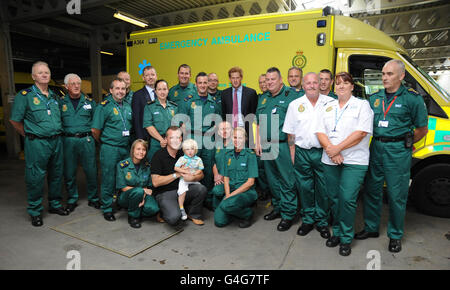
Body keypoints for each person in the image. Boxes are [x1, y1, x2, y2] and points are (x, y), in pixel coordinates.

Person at [356, 59, 428, 253]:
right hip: (376, 148)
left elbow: (422, 129)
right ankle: (371, 228)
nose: (385, 78)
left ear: (401, 76)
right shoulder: (375, 98)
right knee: (371, 190)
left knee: (397, 195)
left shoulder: (412, 99)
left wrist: (406, 144)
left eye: (390, 74)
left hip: (397, 151)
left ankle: (395, 235)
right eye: (383, 74)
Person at [315, 72, 374, 256]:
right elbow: (319, 131)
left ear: (352, 86)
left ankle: (346, 238)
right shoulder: (327, 106)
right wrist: (331, 151)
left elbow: (361, 133)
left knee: (347, 198)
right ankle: (338, 233)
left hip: (354, 160)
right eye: (338, 83)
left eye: (345, 83)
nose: (341, 86)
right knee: (334, 198)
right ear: (334, 87)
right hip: (330, 159)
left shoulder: (362, 105)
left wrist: (337, 148)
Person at [10, 61, 69, 226]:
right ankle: (35, 211)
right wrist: (28, 134)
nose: (44, 75)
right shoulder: (25, 96)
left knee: (56, 174)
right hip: (37, 143)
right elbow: (14, 120)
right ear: (33, 76)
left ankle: (55, 205)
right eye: (40, 72)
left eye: (47, 72)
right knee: (35, 177)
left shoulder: (55, 96)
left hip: (56, 141)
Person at [283, 72, 336, 238]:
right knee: (305, 187)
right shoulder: (294, 105)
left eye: (315, 82)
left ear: (320, 84)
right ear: (303, 85)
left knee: (323, 188)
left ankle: (321, 222)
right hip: (302, 152)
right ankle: (307, 220)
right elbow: (290, 133)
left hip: (323, 152)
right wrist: (292, 152)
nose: (312, 85)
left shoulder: (331, 103)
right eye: (308, 83)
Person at [255, 67, 298, 232]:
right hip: (267, 145)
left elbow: (295, 126)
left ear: (281, 80)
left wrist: (292, 148)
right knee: (272, 181)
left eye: (273, 79)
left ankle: (288, 214)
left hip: (283, 145)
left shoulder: (291, 96)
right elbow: (258, 122)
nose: (270, 82)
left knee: (287, 181)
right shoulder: (263, 98)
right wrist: (258, 142)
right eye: (267, 80)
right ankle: (278, 207)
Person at [92, 78, 133, 222]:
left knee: (123, 177)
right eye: (117, 88)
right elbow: (95, 130)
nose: (120, 91)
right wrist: (106, 142)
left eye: (123, 89)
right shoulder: (103, 107)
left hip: (125, 148)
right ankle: (107, 208)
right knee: (109, 178)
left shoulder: (128, 106)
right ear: (111, 90)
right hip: (110, 148)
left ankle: (119, 202)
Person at [151, 126, 207, 227]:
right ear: (166, 139)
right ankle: (163, 210)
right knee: (174, 218)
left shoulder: (185, 152)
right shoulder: (158, 155)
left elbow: (201, 174)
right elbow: (155, 182)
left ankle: (192, 213)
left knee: (201, 189)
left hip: (183, 189)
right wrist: (177, 174)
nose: (175, 141)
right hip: (165, 193)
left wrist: (194, 177)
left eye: (178, 137)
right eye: (172, 138)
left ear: (181, 139)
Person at [60, 73, 99, 212]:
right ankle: (72, 199)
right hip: (68, 141)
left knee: (91, 171)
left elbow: (96, 123)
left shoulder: (89, 102)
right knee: (69, 172)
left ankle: (94, 198)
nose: (76, 86)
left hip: (86, 140)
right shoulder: (60, 103)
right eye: (73, 84)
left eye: (78, 83)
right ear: (66, 86)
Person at [180, 72, 221, 195]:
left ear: (208, 83)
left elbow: (217, 123)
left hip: (209, 140)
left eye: (205, 82)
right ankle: (192, 196)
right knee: (192, 167)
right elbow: (181, 123)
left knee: (208, 168)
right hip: (193, 139)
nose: (203, 85)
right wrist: (185, 143)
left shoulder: (214, 103)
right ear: (196, 84)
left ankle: (207, 196)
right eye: (200, 83)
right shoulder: (188, 101)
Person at [214, 127, 259, 228]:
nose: (236, 140)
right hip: (231, 187)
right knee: (219, 222)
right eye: (234, 137)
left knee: (227, 204)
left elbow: (250, 182)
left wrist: (230, 196)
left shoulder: (250, 155)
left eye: (240, 138)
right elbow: (225, 177)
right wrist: (227, 194)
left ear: (245, 139)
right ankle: (231, 209)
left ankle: (247, 214)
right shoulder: (227, 154)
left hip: (246, 191)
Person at [116, 139, 159, 228]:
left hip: (141, 194)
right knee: (138, 191)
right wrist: (142, 191)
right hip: (125, 196)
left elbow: (148, 186)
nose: (141, 152)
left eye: (143, 150)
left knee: (154, 209)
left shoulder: (147, 166)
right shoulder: (123, 165)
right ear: (133, 150)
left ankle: (135, 209)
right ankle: (133, 216)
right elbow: (123, 188)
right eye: (138, 149)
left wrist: (142, 197)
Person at [220, 67, 258, 146]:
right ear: (230, 79)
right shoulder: (224, 93)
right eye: (233, 78)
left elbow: (254, 113)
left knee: (246, 154)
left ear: (241, 78)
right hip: (230, 130)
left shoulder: (251, 93)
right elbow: (223, 113)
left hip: (246, 130)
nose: (235, 80)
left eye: (237, 77)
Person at [143, 79, 178, 162]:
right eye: (159, 89)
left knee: (171, 168)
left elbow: (177, 126)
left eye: (164, 89)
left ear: (168, 91)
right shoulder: (149, 107)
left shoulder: (174, 107)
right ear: (155, 91)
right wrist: (161, 140)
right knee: (155, 168)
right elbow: (148, 126)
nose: (162, 92)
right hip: (156, 144)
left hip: (172, 143)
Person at [174, 139, 204, 220]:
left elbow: (200, 169)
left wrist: (195, 174)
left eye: (192, 149)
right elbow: (176, 168)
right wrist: (183, 171)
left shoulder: (198, 159)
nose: (190, 151)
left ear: (196, 150)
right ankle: (181, 208)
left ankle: (193, 210)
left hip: (193, 179)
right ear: (184, 150)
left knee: (202, 190)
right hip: (184, 179)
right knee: (182, 192)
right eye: (187, 149)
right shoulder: (182, 159)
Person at [210, 121, 233, 210]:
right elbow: (213, 161)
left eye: (227, 128)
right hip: (220, 178)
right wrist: (216, 175)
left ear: (231, 130)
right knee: (216, 195)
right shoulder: (217, 144)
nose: (224, 131)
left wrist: (223, 176)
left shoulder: (236, 143)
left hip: (233, 179)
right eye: (221, 129)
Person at [132, 66, 157, 141]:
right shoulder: (137, 95)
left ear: (156, 76)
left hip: (160, 135)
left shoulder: (161, 93)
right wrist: (140, 138)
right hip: (145, 136)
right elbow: (136, 118)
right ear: (143, 78)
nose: (150, 77)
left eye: (152, 75)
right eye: (147, 75)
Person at [256, 74, 270, 201]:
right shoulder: (259, 98)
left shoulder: (273, 97)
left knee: (272, 170)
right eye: (260, 82)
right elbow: (257, 122)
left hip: (273, 140)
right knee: (260, 167)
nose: (263, 84)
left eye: (265, 81)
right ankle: (265, 191)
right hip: (261, 139)